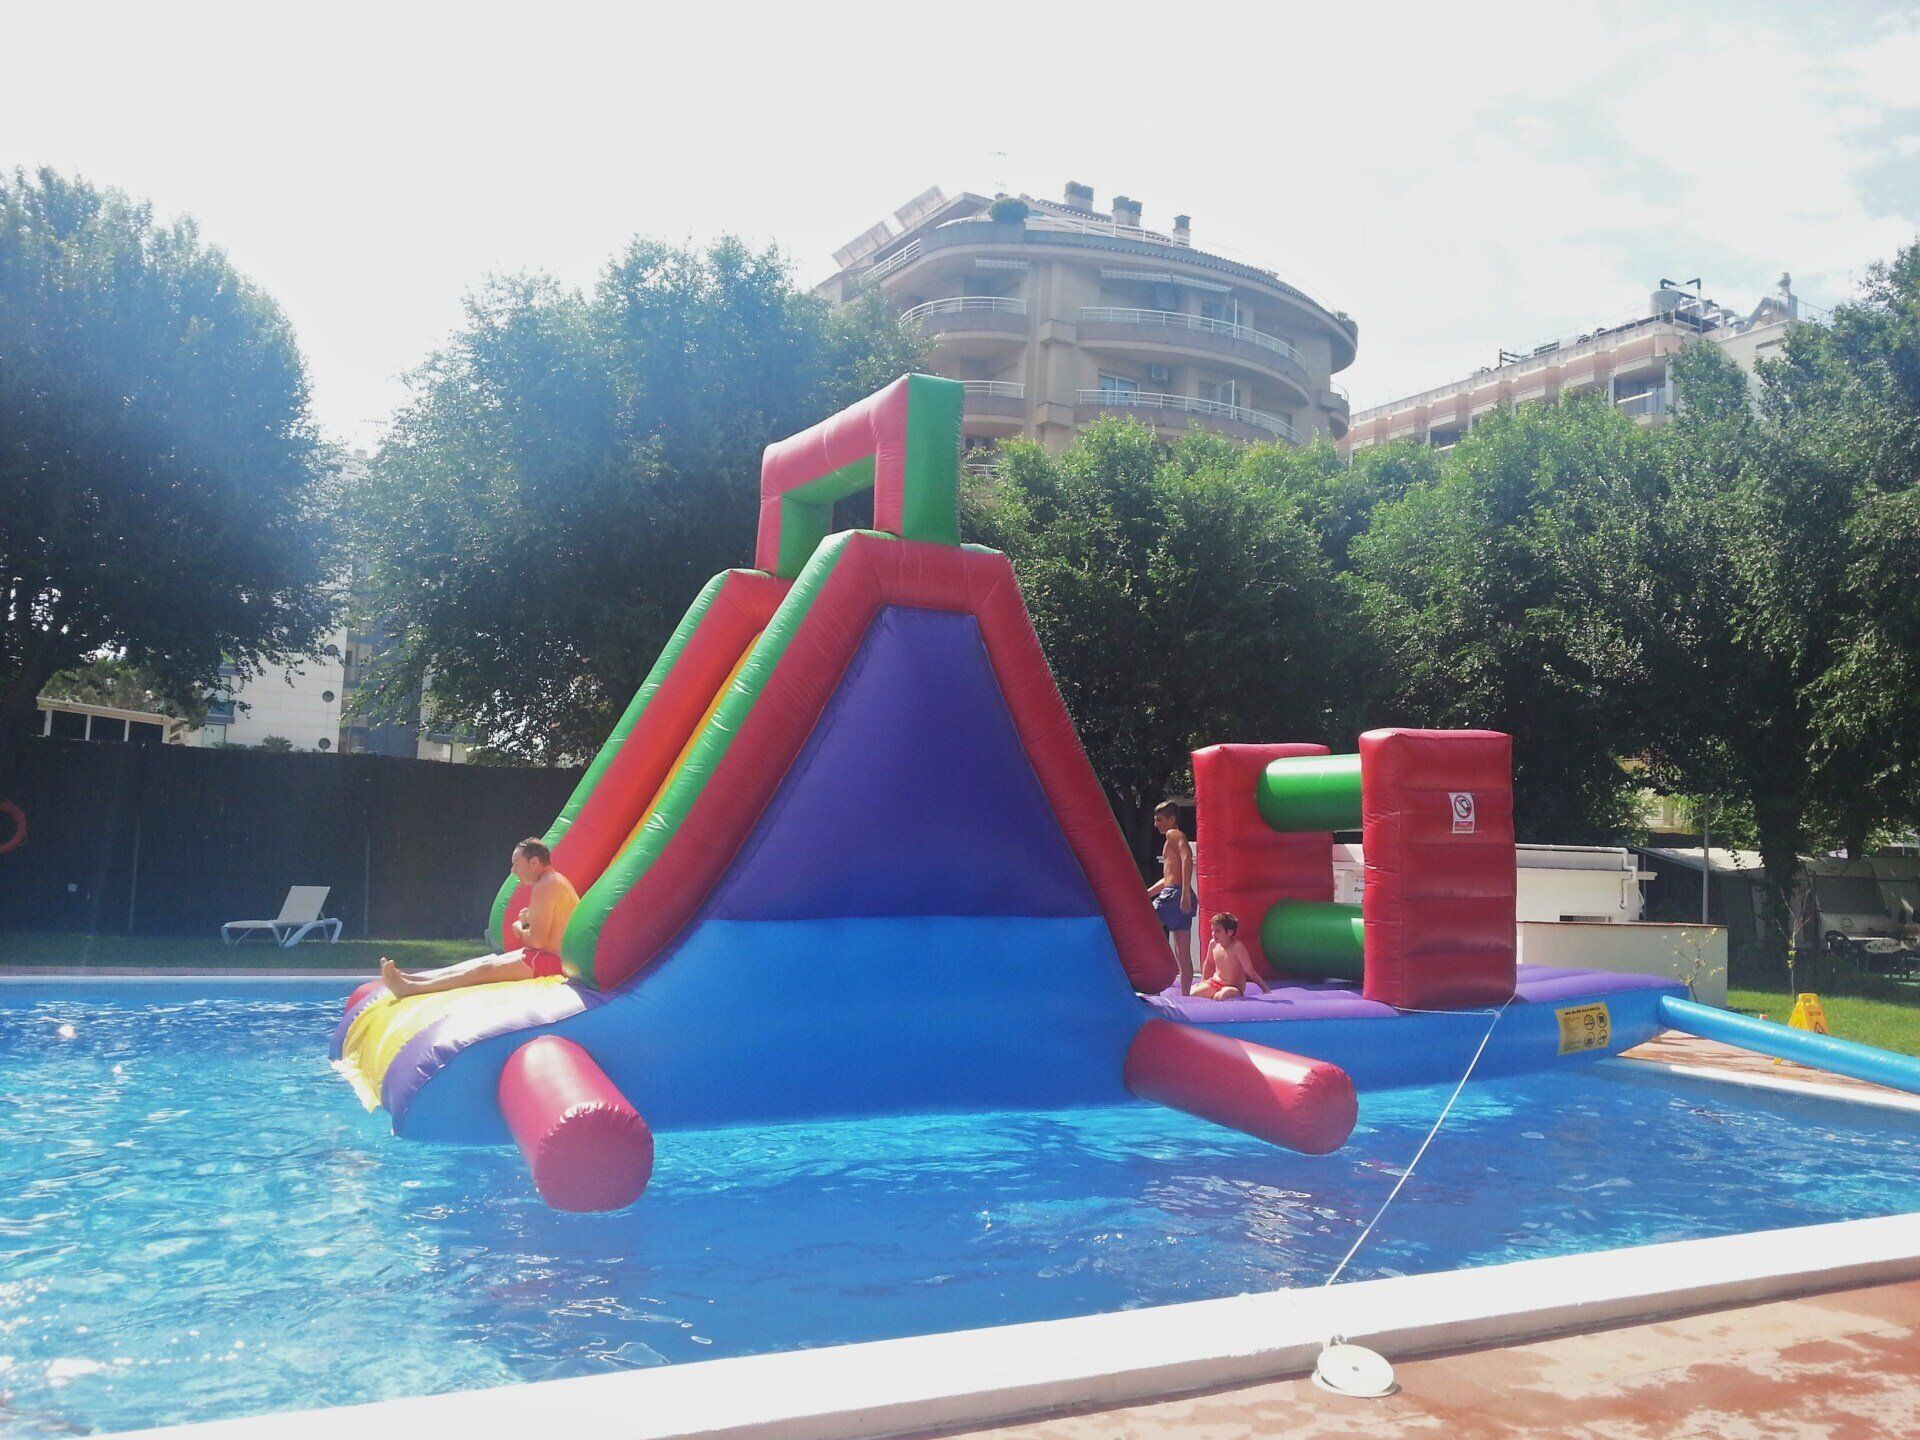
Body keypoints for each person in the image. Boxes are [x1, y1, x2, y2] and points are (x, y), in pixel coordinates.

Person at [379, 838, 579, 998]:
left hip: (551, 962)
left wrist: (519, 928)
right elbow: (553, 925)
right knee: (478, 964)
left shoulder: (546, 886)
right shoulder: (552, 881)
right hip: (547, 957)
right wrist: (530, 918)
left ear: (534, 862)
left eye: (516, 864)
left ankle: (410, 988)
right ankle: (413, 980)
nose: (513, 870)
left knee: (483, 970)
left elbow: (537, 941)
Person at [1147, 801, 1197, 994]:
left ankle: (1148, 981)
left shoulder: (1173, 834)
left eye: (1159, 820)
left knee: (1140, 927)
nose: (1156, 824)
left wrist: (1184, 893)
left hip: (1174, 895)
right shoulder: (1172, 839)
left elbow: (1187, 858)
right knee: (1182, 953)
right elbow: (1168, 878)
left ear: (1172, 819)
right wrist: (1147, 893)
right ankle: (1185, 995)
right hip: (1176, 894)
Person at [1192, 912, 1260, 1000]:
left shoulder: (1237, 947)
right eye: (1212, 930)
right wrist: (1203, 981)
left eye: (1218, 931)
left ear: (1230, 932)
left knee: (1220, 996)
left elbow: (1250, 970)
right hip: (1216, 982)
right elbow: (1208, 963)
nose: (1213, 934)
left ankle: (1228, 994)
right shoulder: (1213, 944)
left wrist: (1265, 989)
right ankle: (1210, 991)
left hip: (1233, 986)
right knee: (1193, 993)